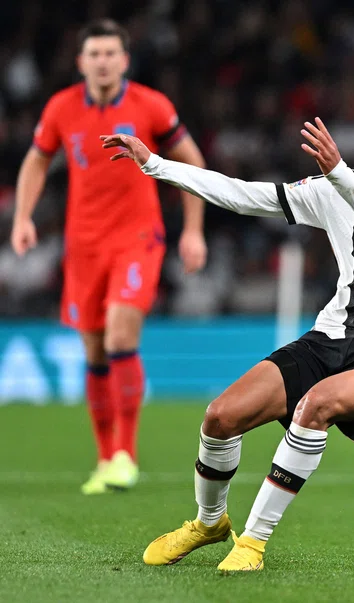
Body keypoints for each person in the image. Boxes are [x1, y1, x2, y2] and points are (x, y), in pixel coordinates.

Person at [102, 94, 354, 571]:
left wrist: (338, 175)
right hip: (335, 334)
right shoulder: (337, 187)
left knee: (316, 406)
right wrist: (156, 165)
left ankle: (253, 542)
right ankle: (209, 523)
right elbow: (245, 195)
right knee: (220, 417)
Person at [9, 19, 208, 495]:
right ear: (81, 62)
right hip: (83, 246)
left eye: (110, 53)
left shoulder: (151, 105)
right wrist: (23, 217)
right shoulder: (61, 107)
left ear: (124, 60)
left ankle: (126, 455)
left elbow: (193, 161)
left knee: (121, 335)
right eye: (94, 54)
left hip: (137, 238)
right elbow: (37, 159)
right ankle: (104, 458)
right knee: (95, 351)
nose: (102, 62)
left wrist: (193, 230)